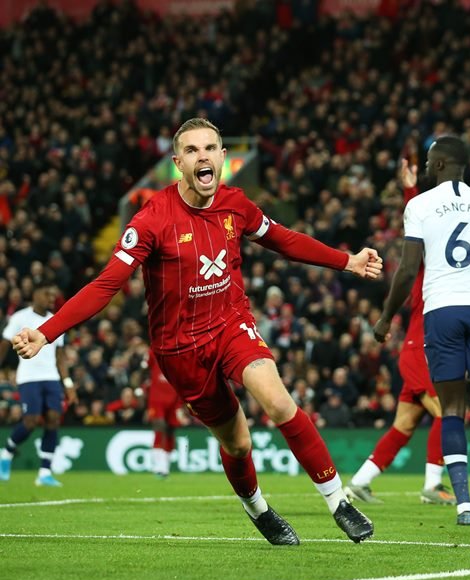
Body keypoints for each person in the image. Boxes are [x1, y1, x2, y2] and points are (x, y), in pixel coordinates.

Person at [11, 118, 382, 545]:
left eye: (211, 148)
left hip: (229, 322)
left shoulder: (236, 204)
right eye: (192, 150)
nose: (203, 156)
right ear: (177, 163)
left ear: (224, 157)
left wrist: (346, 260)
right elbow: (106, 285)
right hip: (179, 349)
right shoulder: (152, 219)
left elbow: (283, 238)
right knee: (238, 443)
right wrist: (47, 330)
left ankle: (338, 502)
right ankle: (259, 510)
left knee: (279, 403)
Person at [373, 136, 470, 527]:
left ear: (441, 164)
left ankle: (464, 505)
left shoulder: (420, 205)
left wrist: (386, 317)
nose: (426, 167)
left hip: (441, 310)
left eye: (429, 162)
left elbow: (408, 269)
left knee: (453, 410)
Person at [345, 158, 454, 506]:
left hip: (418, 349)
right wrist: (410, 188)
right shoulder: (426, 266)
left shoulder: (443, 272)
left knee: (403, 426)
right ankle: (433, 486)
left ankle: (360, 483)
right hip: (420, 349)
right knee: (448, 411)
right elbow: (418, 224)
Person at [0, 283, 77, 486]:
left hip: (51, 377)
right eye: (47, 294)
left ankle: (44, 473)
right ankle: (7, 451)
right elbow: (5, 344)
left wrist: (68, 383)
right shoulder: (19, 318)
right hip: (28, 377)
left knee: (53, 419)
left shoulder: (56, 320)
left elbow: (60, 356)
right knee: (31, 421)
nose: (51, 298)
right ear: (35, 295)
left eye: (53, 295)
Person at [144, 350, 182, 479]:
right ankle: (158, 465)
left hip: (174, 396)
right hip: (157, 397)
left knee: (171, 430)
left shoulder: (179, 350)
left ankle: (165, 466)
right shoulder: (153, 350)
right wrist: (142, 388)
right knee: (159, 426)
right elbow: (144, 369)